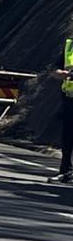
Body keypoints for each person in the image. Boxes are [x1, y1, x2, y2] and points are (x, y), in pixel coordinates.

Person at [50, 38, 73, 183]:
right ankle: (65, 171)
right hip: (69, 98)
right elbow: (55, 70)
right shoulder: (69, 45)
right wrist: (62, 73)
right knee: (68, 137)